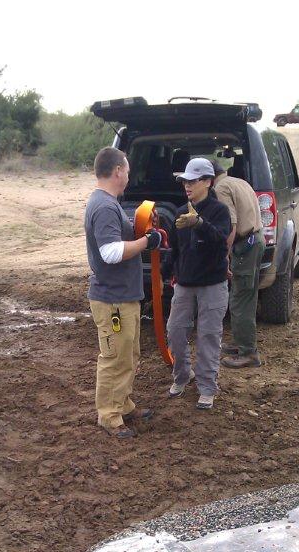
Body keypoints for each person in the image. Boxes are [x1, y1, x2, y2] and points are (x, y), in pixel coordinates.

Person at [85, 146, 162, 438]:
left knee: (128, 354)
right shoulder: (105, 207)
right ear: (117, 171)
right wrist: (147, 243)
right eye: (127, 170)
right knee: (115, 357)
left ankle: (123, 404)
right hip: (112, 299)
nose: (129, 175)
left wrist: (143, 231)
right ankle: (109, 415)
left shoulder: (108, 203)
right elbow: (111, 252)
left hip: (122, 296)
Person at [163, 158, 231, 410]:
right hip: (185, 284)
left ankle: (207, 387)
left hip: (212, 284)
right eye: (185, 181)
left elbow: (221, 240)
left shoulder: (220, 211)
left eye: (192, 181)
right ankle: (182, 375)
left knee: (208, 336)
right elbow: (175, 248)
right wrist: (164, 273)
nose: (187, 186)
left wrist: (200, 224)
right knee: (175, 331)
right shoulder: (181, 212)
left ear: (207, 182)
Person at [213, 161, 266, 368]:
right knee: (247, 295)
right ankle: (241, 342)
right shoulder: (239, 182)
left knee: (239, 299)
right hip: (256, 240)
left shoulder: (221, 188)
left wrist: (224, 257)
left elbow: (231, 226)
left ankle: (248, 353)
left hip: (245, 246)